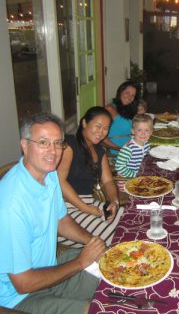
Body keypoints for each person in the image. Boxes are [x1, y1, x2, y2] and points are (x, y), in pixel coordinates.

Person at [0, 113, 105, 313]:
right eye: (43, 142)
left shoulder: (49, 175)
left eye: (58, 143)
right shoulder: (10, 206)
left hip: (51, 267)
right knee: (93, 310)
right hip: (19, 296)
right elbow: (24, 283)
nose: (53, 151)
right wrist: (80, 262)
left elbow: (62, 220)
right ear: (24, 145)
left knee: (113, 266)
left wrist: (92, 242)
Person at [57, 106, 123, 247]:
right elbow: (60, 182)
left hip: (89, 203)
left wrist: (114, 202)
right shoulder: (69, 145)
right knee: (118, 235)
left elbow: (108, 181)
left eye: (106, 128)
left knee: (129, 218)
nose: (102, 132)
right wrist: (85, 208)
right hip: (65, 209)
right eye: (98, 126)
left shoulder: (100, 150)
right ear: (84, 123)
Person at [115, 114, 153, 191]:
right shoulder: (129, 148)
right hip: (127, 182)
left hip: (139, 177)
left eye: (146, 130)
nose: (143, 133)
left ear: (151, 132)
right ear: (133, 131)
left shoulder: (146, 144)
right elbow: (119, 167)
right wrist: (135, 175)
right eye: (139, 130)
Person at [103, 81, 140, 152]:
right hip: (117, 152)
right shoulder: (110, 109)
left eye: (133, 95)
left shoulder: (128, 109)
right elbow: (101, 137)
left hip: (130, 147)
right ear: (120, 92)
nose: (129, 97)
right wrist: (118, 149)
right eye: (127, 93)